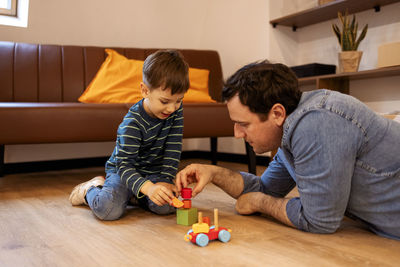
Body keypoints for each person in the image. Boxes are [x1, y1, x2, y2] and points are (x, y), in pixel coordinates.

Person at [176, 60, 400, 240]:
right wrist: (214, 173)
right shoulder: (291, 131)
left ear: (277, 113)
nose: (237, 134)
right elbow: (265, 188)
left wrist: (259, 203)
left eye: (243, 124)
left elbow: (320, 220)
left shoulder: (317, 123)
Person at [69, 50, 189, 220]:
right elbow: (125, 167)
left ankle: (135, 196)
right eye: (164, 101)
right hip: (123, 172)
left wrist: (165, 180)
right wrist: (149, 188)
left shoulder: (175, 111)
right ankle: (90, 189)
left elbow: (173, 148)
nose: (172, 108)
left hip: (152, 173)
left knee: (167, 206)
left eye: (179, 100)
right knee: (108, 210)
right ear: (145, 91)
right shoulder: (132, 122)